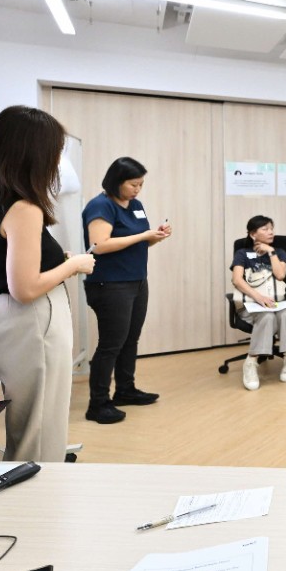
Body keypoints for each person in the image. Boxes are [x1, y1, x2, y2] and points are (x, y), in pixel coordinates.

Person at [0, 105, 96, 462]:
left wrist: (59, 260)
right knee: (39, 429)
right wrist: (74, 265)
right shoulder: (25, 207)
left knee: (30, 422)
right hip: (33, 318)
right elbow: (25, 287)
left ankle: (34, 495)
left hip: (7, 319)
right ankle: (38, 503)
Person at [81, 157, 171, 424]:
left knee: (130, 339)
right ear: (116, 181)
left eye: (141, 184)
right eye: (133, 184)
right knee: (111, 344)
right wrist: (144, 236)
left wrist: (155, 237)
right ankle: (97, 404)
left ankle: (125, 390)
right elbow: (99, 245)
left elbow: (138, 244)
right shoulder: (100, 206)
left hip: (136, 281)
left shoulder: (136, 206)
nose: (138, 189)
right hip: (109, 285)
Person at [231, 215, 286, 392]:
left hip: (278, 303)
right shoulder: (242, 254)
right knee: (267, 317)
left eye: (271, 228)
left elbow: (281, 275)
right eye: (265, 229)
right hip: (252, 305)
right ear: (253, 234)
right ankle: (251, 362)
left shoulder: (279, 252)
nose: (271, 232)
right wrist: (258, 298)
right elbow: (237, 280)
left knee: (285, 315)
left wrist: (271, 251)